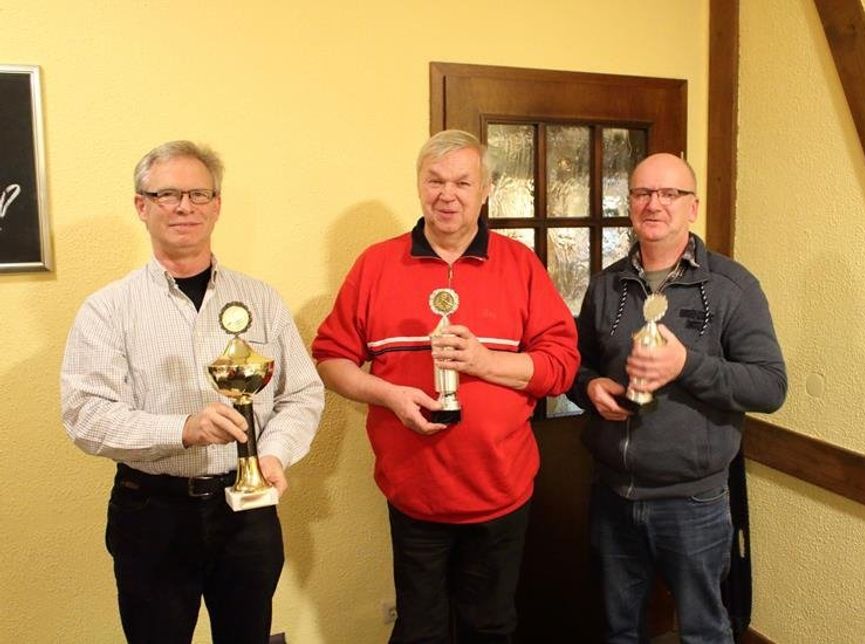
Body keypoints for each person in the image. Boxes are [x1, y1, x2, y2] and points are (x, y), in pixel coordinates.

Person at [312, 129, 579, 643]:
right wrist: (389, 395)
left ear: (486, 190)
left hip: (501, 491)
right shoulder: (376, 264)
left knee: (491, 627)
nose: (447, 194)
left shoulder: (520, 264)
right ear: (418, 185)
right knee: (420, 631)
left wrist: (484, 362)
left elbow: (561, 367)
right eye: (434, 180)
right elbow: (330, 358)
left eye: (462, 181)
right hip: (415, 495)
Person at [61, 140, 325, 644]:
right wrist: (183, 429)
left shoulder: (260, 298)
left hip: (248, 513)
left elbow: (302, 394)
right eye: (167, 194)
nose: (185, 207)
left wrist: (272, 455)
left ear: (217, 205)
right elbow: (85, 415)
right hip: (152, 514)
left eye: (199, 194)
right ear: (141, 206)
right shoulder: (108, 309)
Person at [567, 153, 787, 643]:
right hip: (612, 496)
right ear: (630, 205)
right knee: (619, 630)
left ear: (692, 207)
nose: (654, 204)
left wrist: (685, 365)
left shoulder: (732, 287)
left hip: (694, 500)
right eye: (643, 193)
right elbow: (573, 365)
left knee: (703, 632)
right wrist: (589, 387)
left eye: (670, 194)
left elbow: (770, 386)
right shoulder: (606, 286)